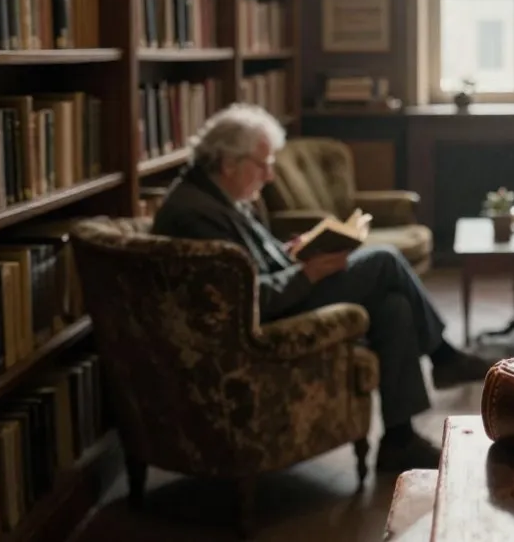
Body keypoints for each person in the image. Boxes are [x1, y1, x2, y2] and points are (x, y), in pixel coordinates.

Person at [151, 103, 492, 471]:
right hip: (260, 326)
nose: (268, 177)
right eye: (262, 164)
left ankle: (399, 440)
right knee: (384, 261)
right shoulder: (195, 213)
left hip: (278, 299)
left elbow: (245, 265)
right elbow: (243, 297)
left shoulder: (219, 194)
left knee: (395, 307)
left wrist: (291, 254)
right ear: (229, 161)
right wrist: (307, 274)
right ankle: (444, 357)